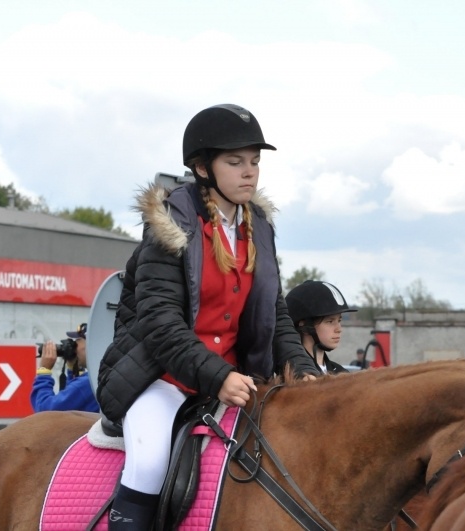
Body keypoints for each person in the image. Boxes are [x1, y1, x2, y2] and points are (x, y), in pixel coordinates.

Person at [95, 103, 320, 530]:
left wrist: (303, 369)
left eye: (254, 162)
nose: (249, 172)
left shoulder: (259, 229)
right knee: (149, 461)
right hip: (161, 379)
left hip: (235, 382)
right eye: (235, 162)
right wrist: (217, 376)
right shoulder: (170, 229)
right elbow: (160, 324)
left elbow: (275, 316)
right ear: (202, 167)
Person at [286, 280, 356, 375]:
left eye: (339, 320)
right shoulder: (292, 376)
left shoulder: (342, 374)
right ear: (305, 325)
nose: (339, 329)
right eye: (330, 321)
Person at [30, 323, 100, 413]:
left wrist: (44, 371)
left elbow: (45, 411)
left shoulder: (88, 383)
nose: (74, 346)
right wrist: (73, 369)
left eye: (77, 340)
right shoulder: (100, 377)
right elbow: (73, 403)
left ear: (91, 344)